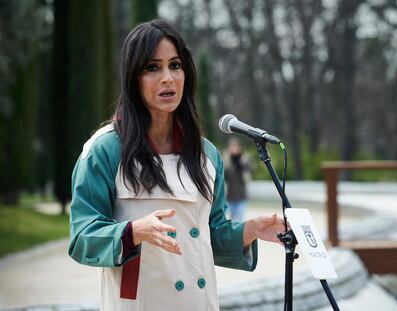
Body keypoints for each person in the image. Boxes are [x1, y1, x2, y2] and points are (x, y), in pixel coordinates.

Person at [69, 19, 286, 311]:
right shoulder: (104, 150)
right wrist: (132, 231)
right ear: (133, 78)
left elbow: (211, 235)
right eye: (152, 68)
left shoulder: (206, 155)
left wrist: (250, 230)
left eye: (175, 65)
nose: (168, 78)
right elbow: (82, 237)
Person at [223, 138, 251, 221]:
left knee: (239, 221)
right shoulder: (227, 161)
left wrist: (240, 164)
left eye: (234, 146)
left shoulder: (244, 159)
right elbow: (224, 177)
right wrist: (226, 162)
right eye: (230, 147)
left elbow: (246, 178)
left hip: (241, 196)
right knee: (230, 222)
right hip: (230, 197)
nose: (232, 149)